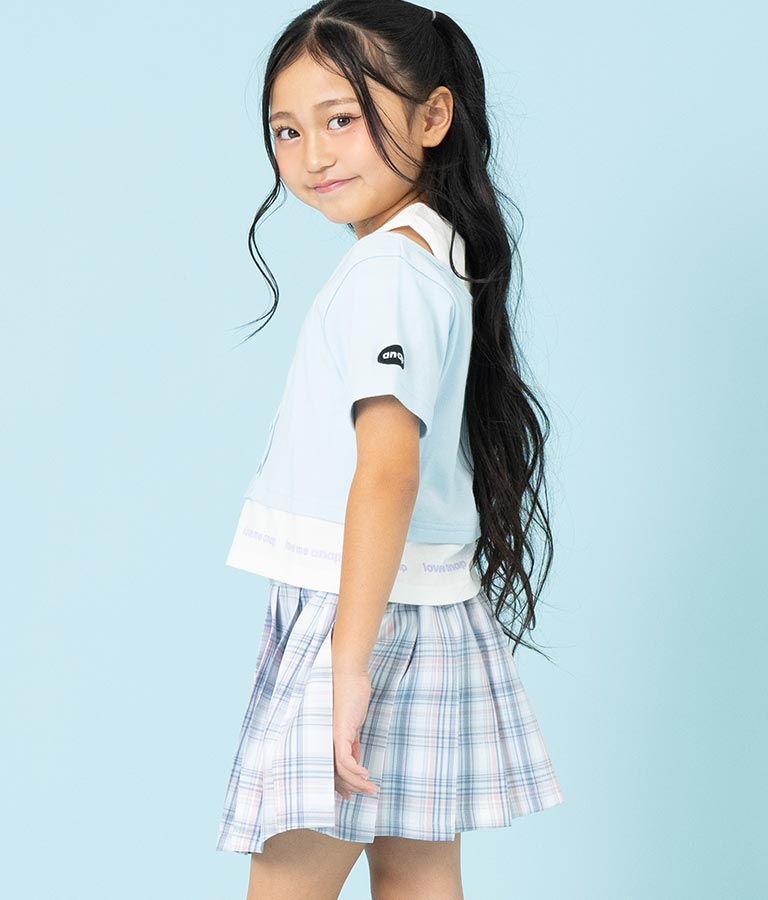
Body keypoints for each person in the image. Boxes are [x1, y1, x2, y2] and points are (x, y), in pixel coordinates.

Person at [215, 2, 565, 897]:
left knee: (290, 883)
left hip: (361, 613)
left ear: (434, 115)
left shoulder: (386, 275)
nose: (313, 156)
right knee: (417, 876)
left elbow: (388, 468)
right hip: (426, 610)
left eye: (342, 119)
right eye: (287, 131)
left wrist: (348, 664)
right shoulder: (433, 258)